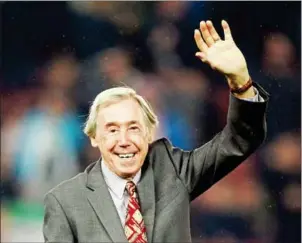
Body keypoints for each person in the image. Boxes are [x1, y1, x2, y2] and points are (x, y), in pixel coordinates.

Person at [43, 20, 269, 243]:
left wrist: (241, 81)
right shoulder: (65, 202)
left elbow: (241, 139)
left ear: (149, 133)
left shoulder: (174, 174)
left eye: (133, 128)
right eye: (112, 130)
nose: (124, 140)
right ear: (94, 137)